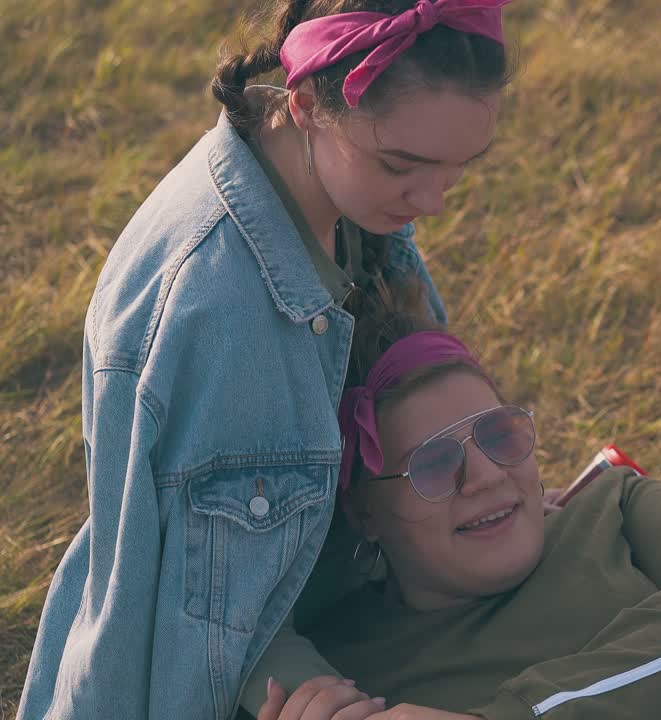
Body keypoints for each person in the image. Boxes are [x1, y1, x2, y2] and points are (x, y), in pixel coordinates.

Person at [18, 2, 513, 718]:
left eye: (460, 167)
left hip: (337, 606)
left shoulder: (339, 189)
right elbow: (206, 628)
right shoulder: (215, 315)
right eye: (404, 165)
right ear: (308, 103)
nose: (433, 202)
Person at [256, 284, 661, 720]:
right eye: (435, 464)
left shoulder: (613, 508)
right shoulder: (342, 665)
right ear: (365, 515)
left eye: (500, 434)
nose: (489, 476)